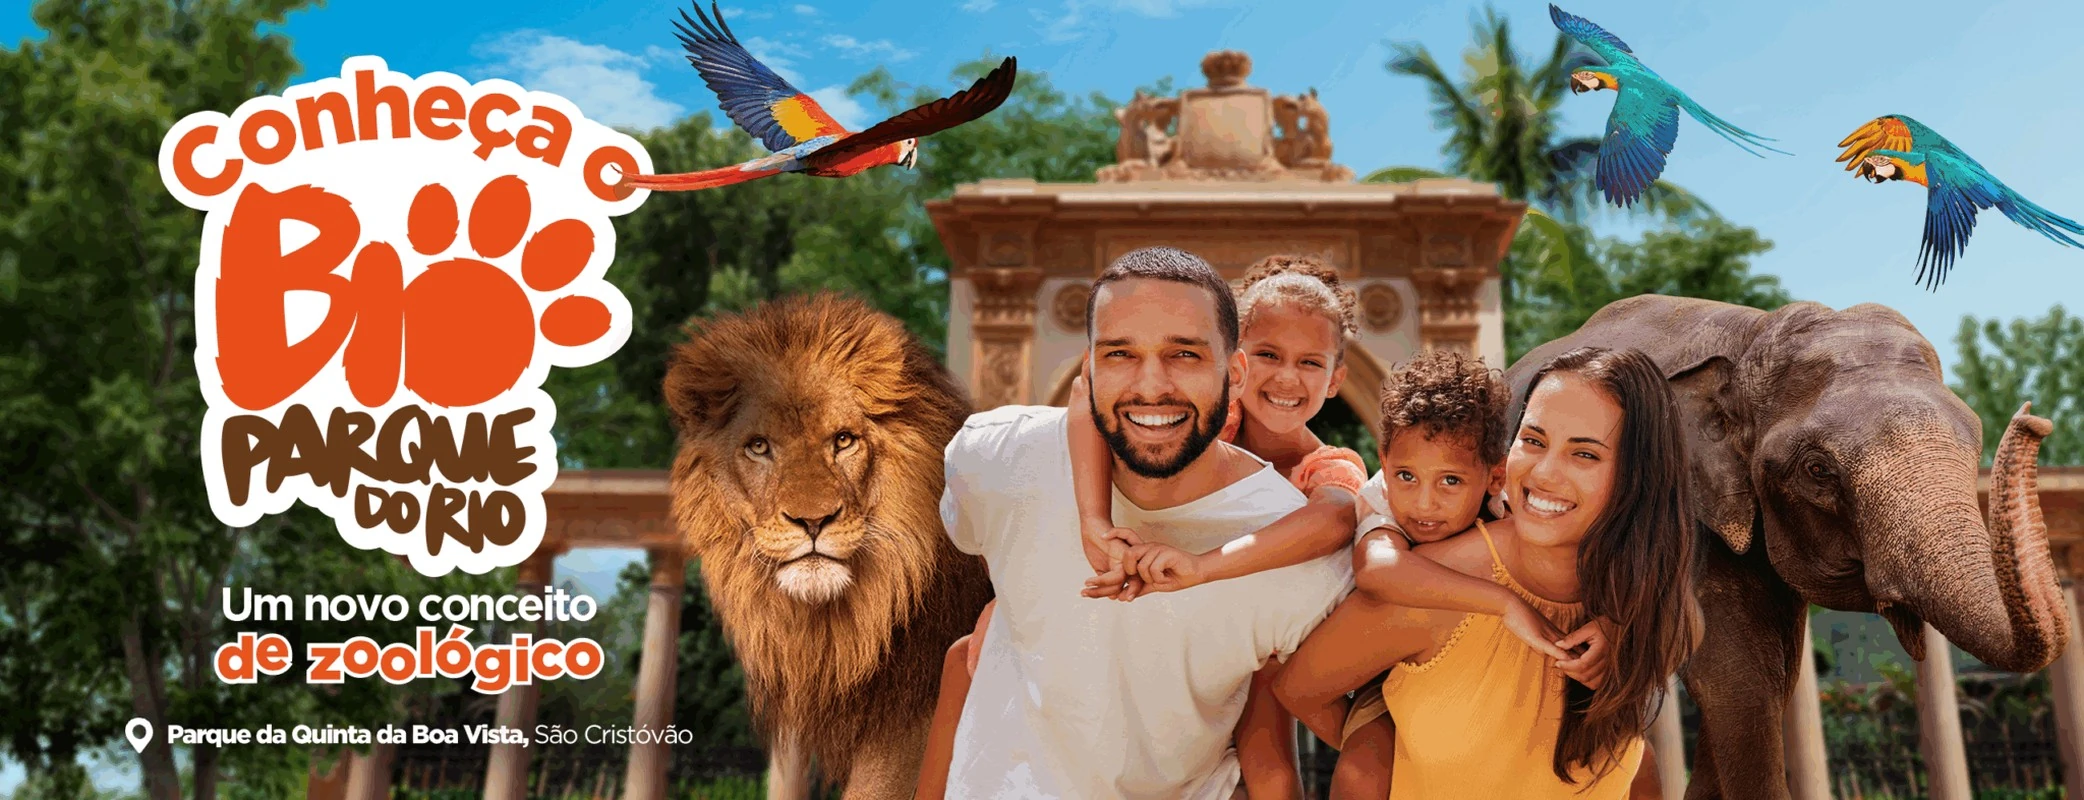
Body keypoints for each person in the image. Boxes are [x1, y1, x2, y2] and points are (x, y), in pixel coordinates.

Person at [927, 246, 1352, 799]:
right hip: (1058, 711)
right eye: (1120, 354)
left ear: (1231, 369)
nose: (1152, 386)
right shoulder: (999, 457)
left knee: (1265, 733)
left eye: (1185, 355)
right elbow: (1087, 398)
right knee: (970, 652)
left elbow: (1338, 517)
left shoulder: (1314, 484)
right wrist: (1087, 525)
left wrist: (1203, 568)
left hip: (1237, 639)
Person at [1275, 346, 1702, 798]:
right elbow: (1301, 688)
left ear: (1639, 476)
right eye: (1534, 441)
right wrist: (1383, 754)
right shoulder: (1433, 586)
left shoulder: (1640, 594)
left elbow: (1685, 623)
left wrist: (1623, 626)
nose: (1544, 473)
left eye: (1585, 455)